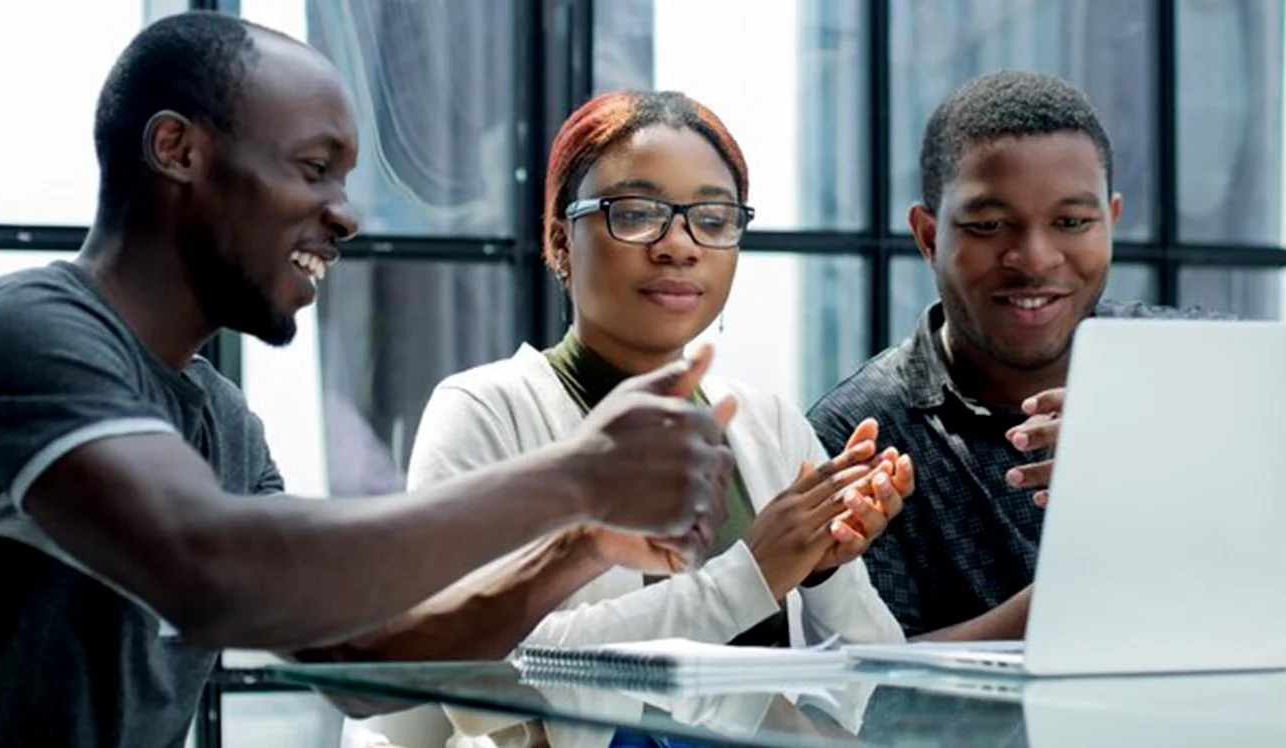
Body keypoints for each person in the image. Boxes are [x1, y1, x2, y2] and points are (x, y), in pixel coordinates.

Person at [0, 14, 734, 748]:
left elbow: (363, 654)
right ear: (178, 149)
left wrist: (578, 544)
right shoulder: (27, 328)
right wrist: (575, 479)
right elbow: (211, 573)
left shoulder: (220, 418)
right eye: (314, 169)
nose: (344, 215)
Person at [339, 89, 914, 748]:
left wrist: (822, 566)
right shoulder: (485, 411)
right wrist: (753, 575)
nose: (679, 245)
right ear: (559, 239)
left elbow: (873, 683)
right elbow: (487, 669)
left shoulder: (769, 425)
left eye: (713, 217)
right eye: (636, 214)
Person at [806, 71, 1222, 640]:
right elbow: (859, 689)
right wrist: (1084, 585)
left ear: (1112, 222)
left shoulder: (1204, 371)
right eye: (989, 225)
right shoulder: (854, 434)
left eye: (1072, 222)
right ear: (928, 237)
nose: (1035, 257)